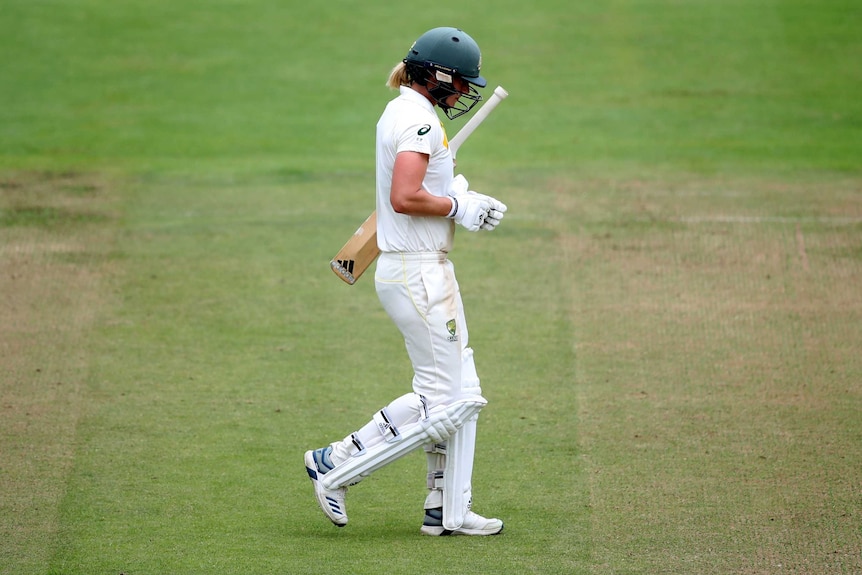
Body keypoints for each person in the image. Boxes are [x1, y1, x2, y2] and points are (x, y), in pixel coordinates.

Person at [304, 27, 507, 536]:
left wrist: (453, 190)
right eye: (460, 83)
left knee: (461, 390)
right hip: (418, 271)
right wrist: (461, 205)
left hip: (417, 267)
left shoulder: (405, 112)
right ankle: (337, 467)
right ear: (437, 77)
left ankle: (447, 509)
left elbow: (421, 189)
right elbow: (404, 196)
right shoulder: (417, 120)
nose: (464, 93)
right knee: (447, 402)